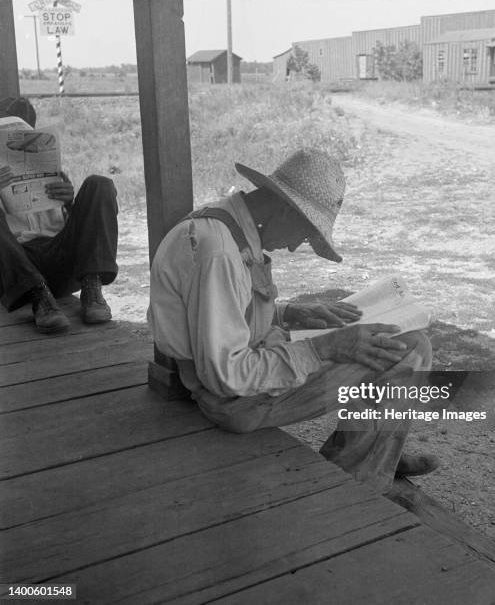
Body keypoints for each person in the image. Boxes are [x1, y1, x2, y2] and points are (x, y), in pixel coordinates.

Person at [148, 148, 438, 487]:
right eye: (306, 233)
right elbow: (226, 377)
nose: (297, 245)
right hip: (234, 401)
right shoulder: (220, 255)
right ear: (285, 209)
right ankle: (358, 478)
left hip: (233, 381)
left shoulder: (223, 225)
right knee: (409, 349)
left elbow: (223, 313)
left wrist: (291, 314)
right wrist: (323, 348)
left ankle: (378, 450)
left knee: (387, 343)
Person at [0, 97, 118, 334]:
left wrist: (70, 203)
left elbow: (80, 230)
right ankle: (40, 298)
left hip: (62, 261)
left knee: (100, 184)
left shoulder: (53, 170)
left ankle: (92, 287)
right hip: (18, 271)